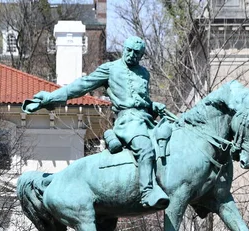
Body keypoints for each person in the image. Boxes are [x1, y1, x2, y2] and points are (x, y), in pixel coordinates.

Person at [22, 36, 169, 209]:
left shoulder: (144, 73)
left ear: (141, 55)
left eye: (136, 53)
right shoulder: (110, 69)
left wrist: (153, 105)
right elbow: (82, 85)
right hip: (128, 121)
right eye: (128, 50)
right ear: (124, 49)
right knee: (145, 148)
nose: (131, 55)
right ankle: (147, 192)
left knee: (169, 141)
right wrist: (51, 97)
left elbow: (142, 100)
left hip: (146, 119)